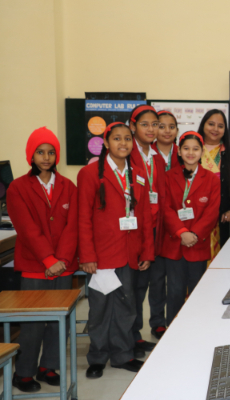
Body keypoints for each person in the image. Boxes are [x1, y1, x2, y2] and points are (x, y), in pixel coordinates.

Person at [78, 122, 154, 378]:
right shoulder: (90, 173)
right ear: (106, 143)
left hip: (129, 252)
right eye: (117, 139)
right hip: (100, 255)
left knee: (126, 306)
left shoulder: (138, 173)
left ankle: (123, 355)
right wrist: (87, 255)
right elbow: (83, 218)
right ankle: (98, 357)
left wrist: (147, 251)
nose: (123, 143)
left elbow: (144, 215)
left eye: (127, 139)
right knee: (99, 309)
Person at [7, 127, 78, 392]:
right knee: (33, 323)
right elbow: (26, 228)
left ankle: (48, 366)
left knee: (60, 320)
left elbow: (73, 227)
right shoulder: (17, 188)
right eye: (40, 152)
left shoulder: (68, 186)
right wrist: (48, 260)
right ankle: (23, 373)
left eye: (51, 152)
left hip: (64, 265)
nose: (46, 158)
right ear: (31, 155)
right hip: (35, 266)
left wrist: (63, 259)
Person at [160, 131, 220, 326]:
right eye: (186, 148)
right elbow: (166, 208)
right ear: (179, 151)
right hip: (174, 244)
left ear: (202, 152)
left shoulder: (211, 179)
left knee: (197, 292)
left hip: (197, 244)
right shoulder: (168, 177)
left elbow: (211, 212)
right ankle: (172, 332)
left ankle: (196, 330)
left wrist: (194, 234)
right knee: (175, 292)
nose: (191, 153)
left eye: (195, 149)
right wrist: (181, 232)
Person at [128, 105, 168, 348]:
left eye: (155, 124)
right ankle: (130, 336)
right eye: (145, 124)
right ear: (133, 126)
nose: (151, 129)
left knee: (149, 283)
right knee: (134, 287)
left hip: (154, 229)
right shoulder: (126, 153)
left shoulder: (156, 157)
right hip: (134, 230)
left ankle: (140, 332)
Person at [197, 109, 230, 250]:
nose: (215, 129)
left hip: (221, 218)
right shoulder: (191, 151)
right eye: (211, 124)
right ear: (203, 125)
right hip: (195, 218)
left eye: (220, 126)